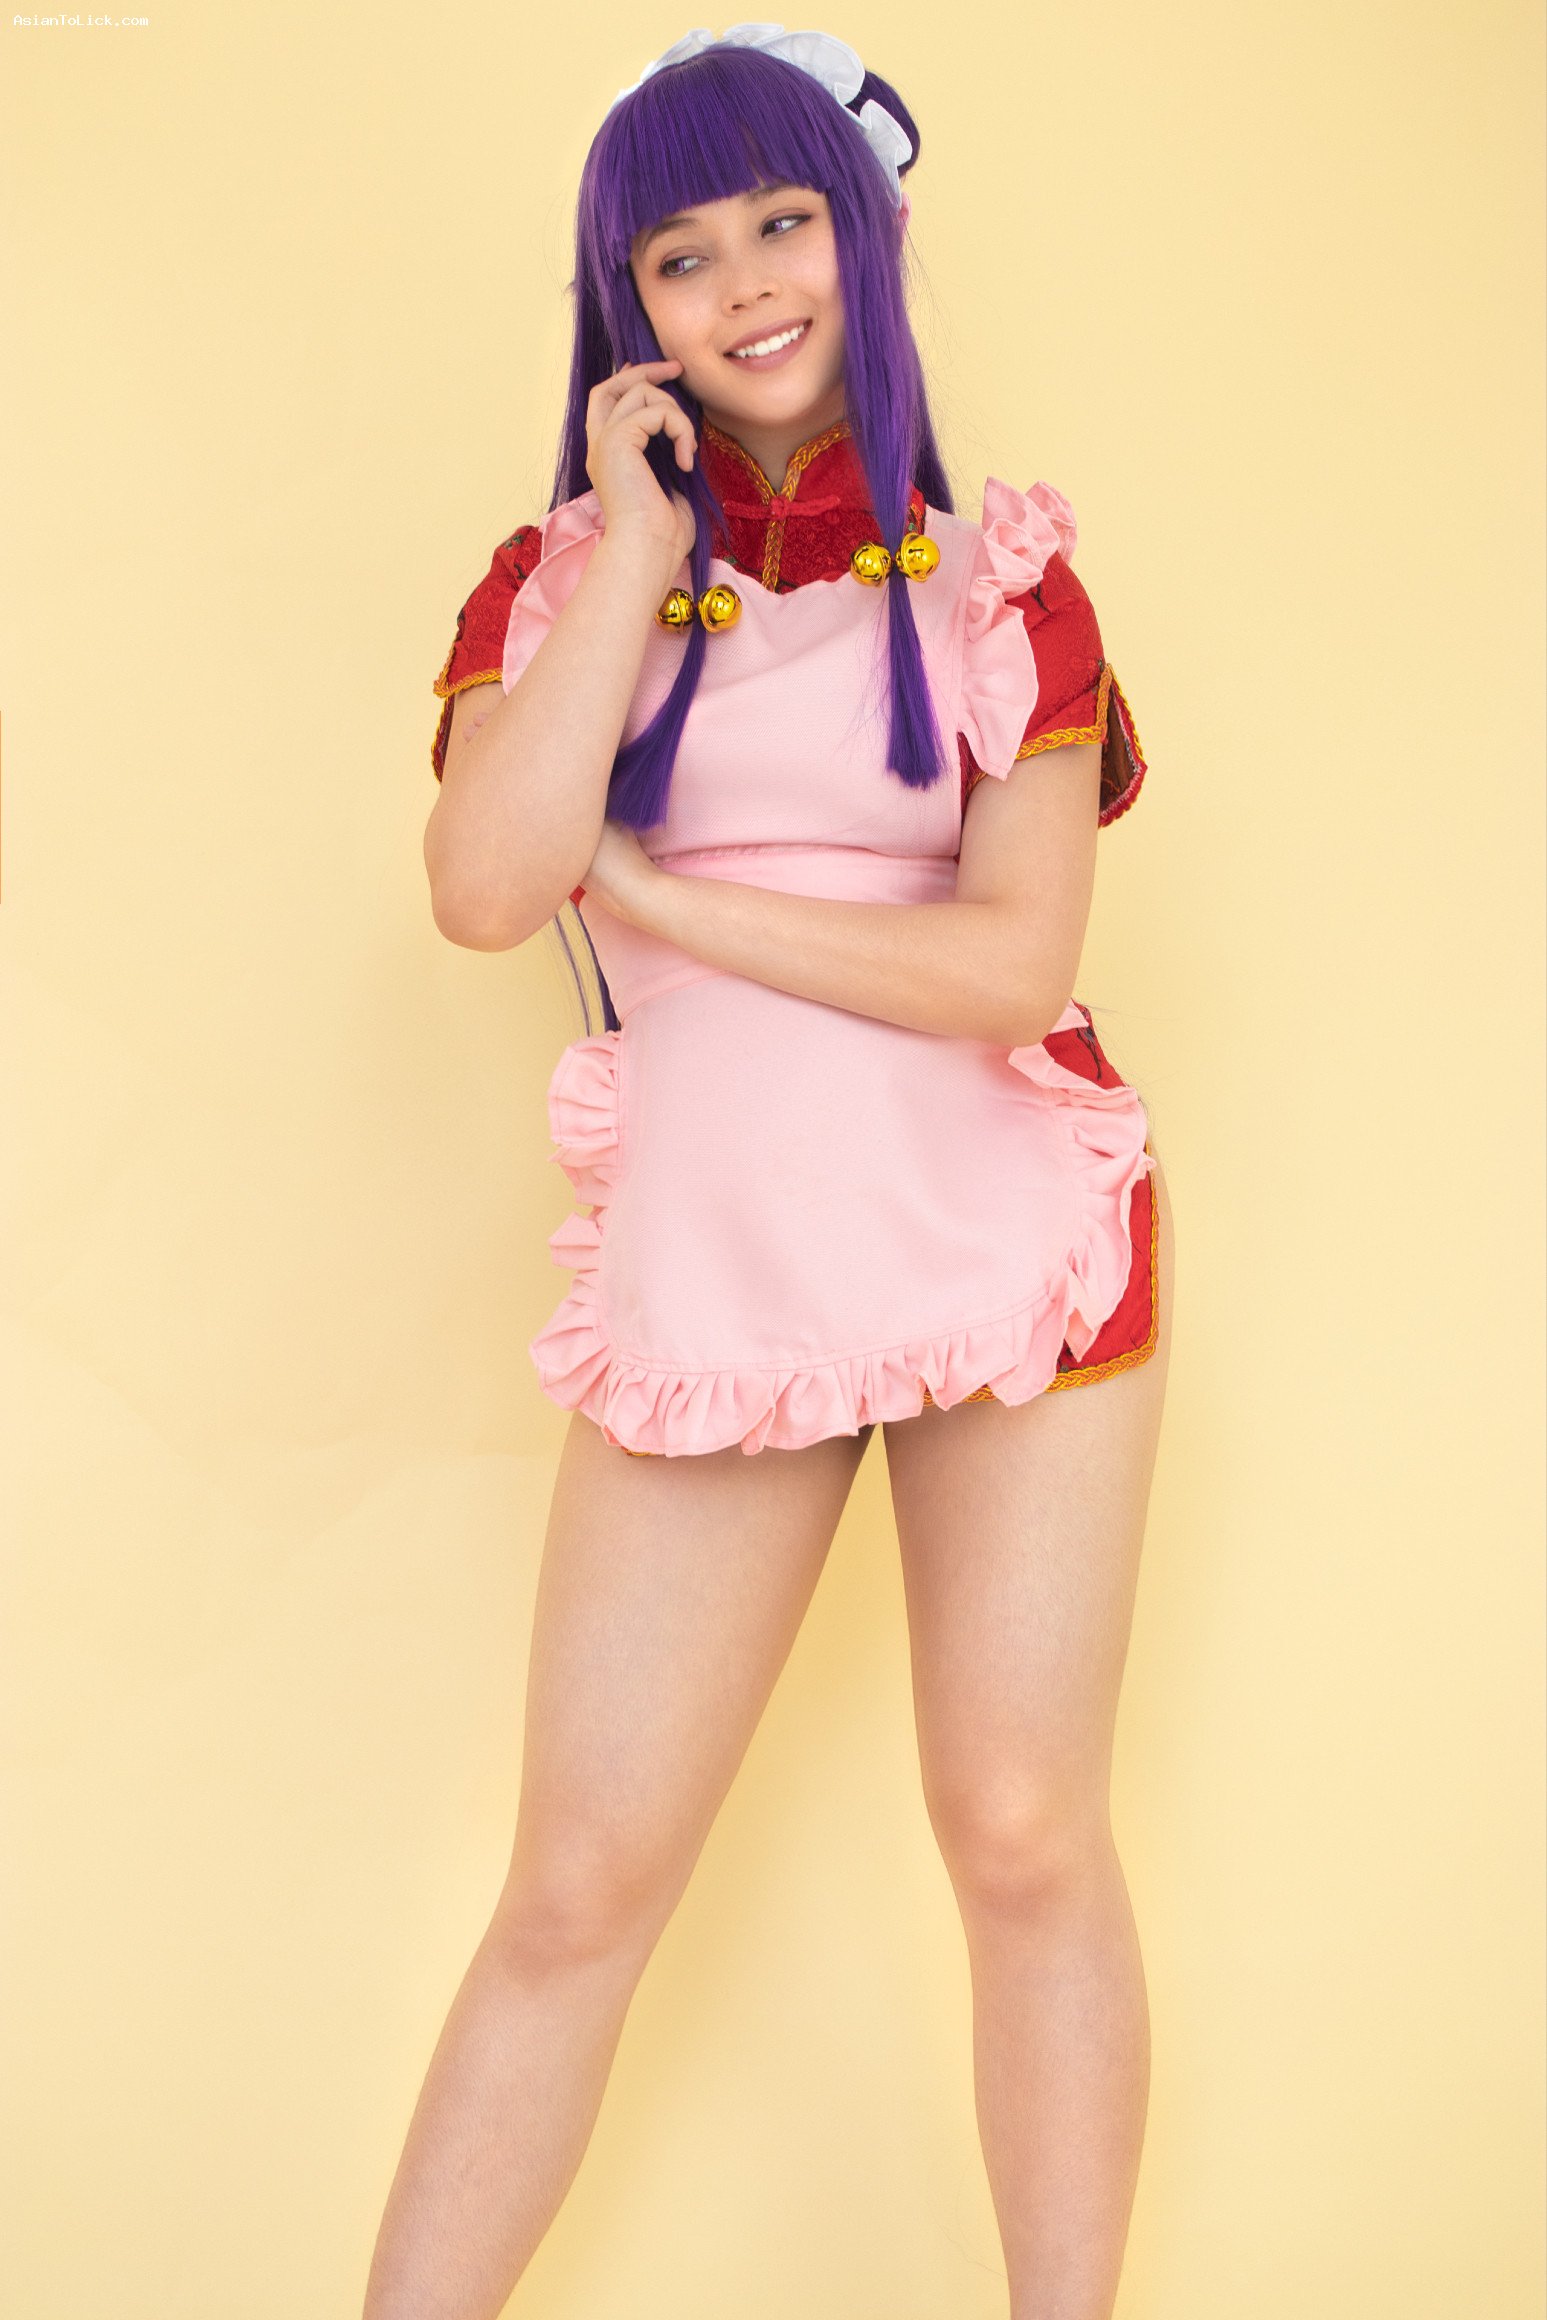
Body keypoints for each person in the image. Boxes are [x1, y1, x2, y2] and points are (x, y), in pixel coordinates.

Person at [365, 26, 1175, 2319]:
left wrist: (674, 901)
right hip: (725, 1264)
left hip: (1013, 1236)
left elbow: (1015, 966)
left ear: (864, 232)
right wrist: (636, 540)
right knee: (578, 1884)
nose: (745, 284)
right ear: (626, 306)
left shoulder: (1002, 583)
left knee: (1021, 1829)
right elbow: (486, 883)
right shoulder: (560, 588)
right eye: (681, 252)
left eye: (784, 221)